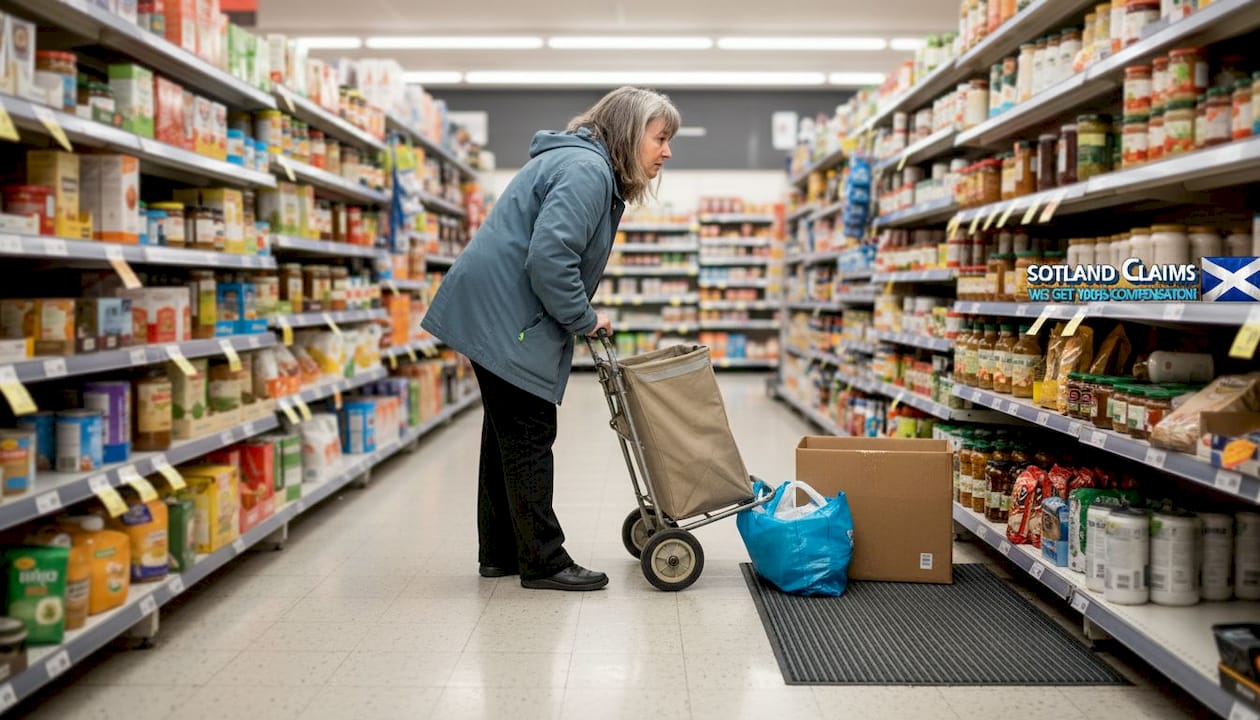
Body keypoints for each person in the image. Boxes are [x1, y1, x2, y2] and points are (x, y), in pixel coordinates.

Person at [420, 87, 679, 591]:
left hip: (495, 310)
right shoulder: (587, 171)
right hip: (505, 315)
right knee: (530, 433)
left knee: (505, 438)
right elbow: (550, 259)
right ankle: (543, 559)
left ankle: (500, 552)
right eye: (661, 138)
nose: (666, 152)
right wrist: (584, 317)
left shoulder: (583, 166)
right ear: (629, 133)